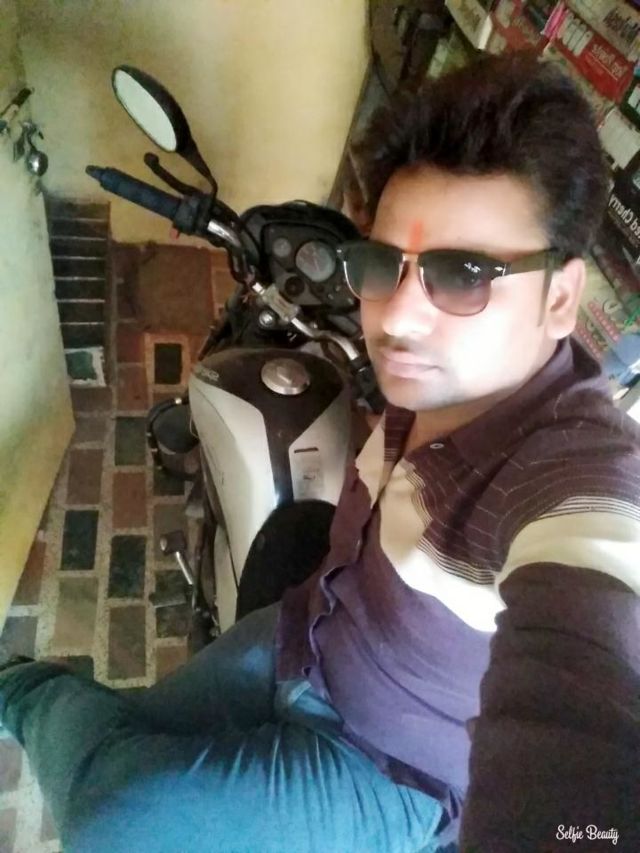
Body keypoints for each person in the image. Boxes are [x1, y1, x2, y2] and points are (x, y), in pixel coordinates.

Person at [1, 51, 639, 852]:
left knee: (114, 819)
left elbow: (587, 724)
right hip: (308, 632)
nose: (396, 318)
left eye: (463, 275)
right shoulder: (440, 378)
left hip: (393, 768)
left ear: (561, 297)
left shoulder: (577, 473)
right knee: (130, 734)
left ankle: (23, 688)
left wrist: (577, 829)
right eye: (382, 265)